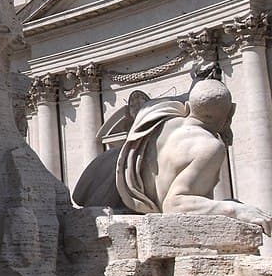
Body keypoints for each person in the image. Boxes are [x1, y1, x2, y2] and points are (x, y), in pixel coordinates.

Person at [116, 79, 271, 235]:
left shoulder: (161, 124)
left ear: (188, 107)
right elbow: (174, 205)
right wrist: (235, 210)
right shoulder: (210, 146)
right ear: (230, 113)